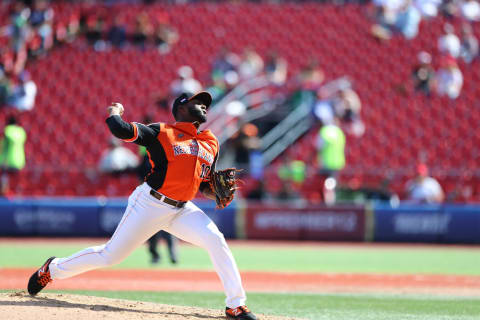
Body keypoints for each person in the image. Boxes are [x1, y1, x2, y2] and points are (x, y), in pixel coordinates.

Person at [27, 91, 257, 320]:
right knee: (110, 256)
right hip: (150, 204)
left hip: (182, 209)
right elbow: (122, 130)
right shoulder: (161, 132)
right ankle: (52, 268)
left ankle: (235, 305)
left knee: (216, 239)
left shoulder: (210, 142)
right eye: (199, 102)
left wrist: (214, 192)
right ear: (182, 108)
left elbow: (204, 183)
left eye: (206, 103)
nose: (205, 106)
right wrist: (114, 113)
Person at [0, 116, 27, 195]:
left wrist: (4, 159)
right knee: (16, 180)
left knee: (4, 177)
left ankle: (4, 193)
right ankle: (17, 193)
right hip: (19, 160)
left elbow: (6, 146)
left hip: (8, 160)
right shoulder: (21, 132)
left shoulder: (7, 131)